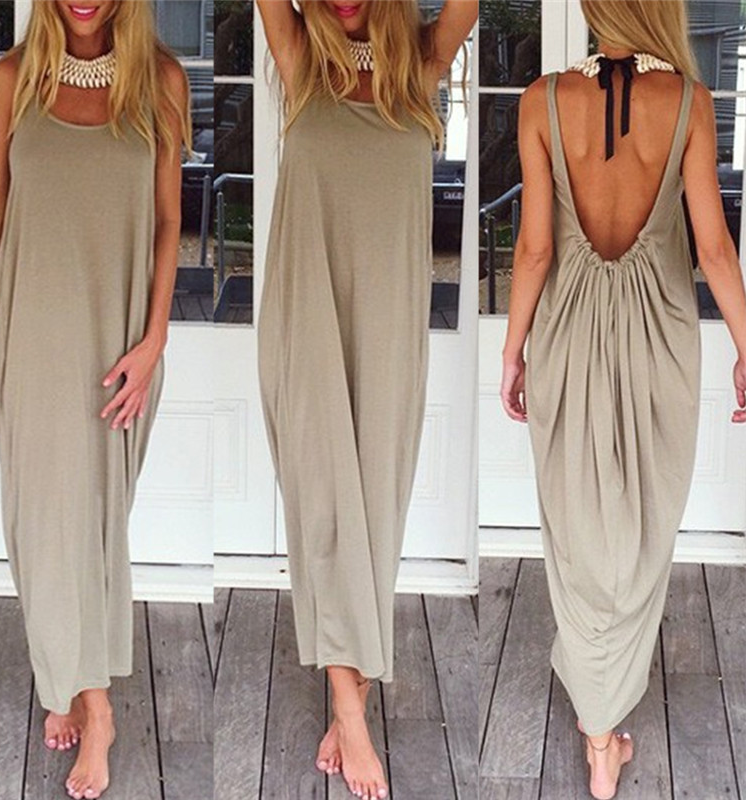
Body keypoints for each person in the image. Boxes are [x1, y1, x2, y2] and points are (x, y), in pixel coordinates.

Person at [500, 1, 746, 798]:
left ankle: (598, 731)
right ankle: (607, 720)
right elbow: (714, 248)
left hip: (568, 332)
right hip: (660, 337)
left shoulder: (542, 101)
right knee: (644, 522)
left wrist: (513, 349)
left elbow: (535, 248)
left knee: (575, 523)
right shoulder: (690, 102)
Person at [0, 1, 191, 798]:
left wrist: (155, 339)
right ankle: (86, 694)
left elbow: (168, 221)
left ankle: (76, 683)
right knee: (42, 519)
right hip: (32, 330)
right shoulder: (13, 78)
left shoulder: (160, 80)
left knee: (93, 520)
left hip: (119, 339)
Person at [255, 1, 477, 798]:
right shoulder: (299, 58)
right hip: (305, 312)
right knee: (325, 502)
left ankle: (347, 690)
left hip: (389, 324)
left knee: (374, 507)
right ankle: (350, 714)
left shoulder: (422, 63)